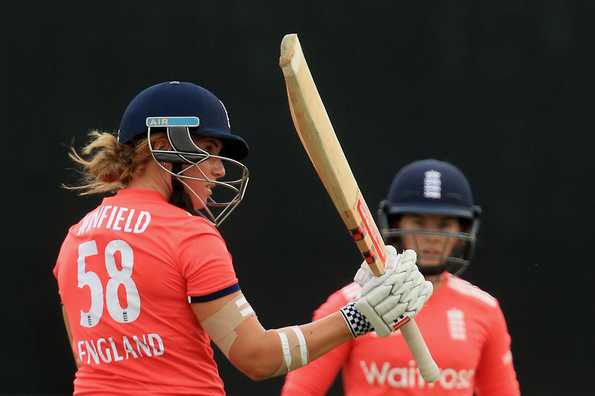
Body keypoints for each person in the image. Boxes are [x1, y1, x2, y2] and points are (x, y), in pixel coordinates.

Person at [52, 81, 434, 395]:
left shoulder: (75, 239)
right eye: (209, 150)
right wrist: (359, 316)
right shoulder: (188, 234)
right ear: (165, 146)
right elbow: (257, 357)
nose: (219, 170)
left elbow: (92, 359)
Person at [281, 159, 521, 395]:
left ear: (463, 231)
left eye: (444, 224)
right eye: (418, 221)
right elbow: (301, 391)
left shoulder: (484, 309)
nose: (432, 237)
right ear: (396, 223)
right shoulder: (353, 302)